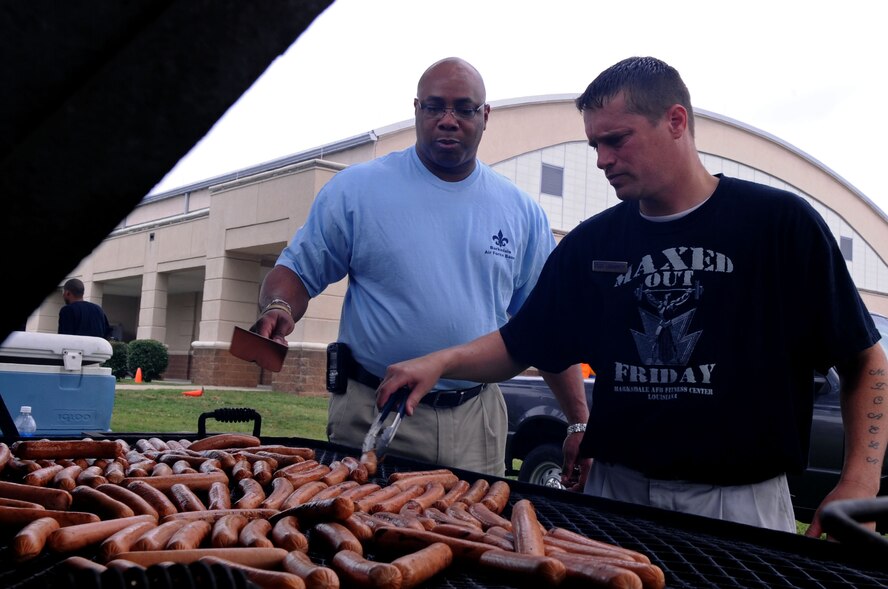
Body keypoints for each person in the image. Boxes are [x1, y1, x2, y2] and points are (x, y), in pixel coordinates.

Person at [377, 56, 888, 535]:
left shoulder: (779, 226)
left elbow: (865, 362)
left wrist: (858, 483)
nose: (602, 160)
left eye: (617, 140)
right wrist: (441, 361)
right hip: (616, 496)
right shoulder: (592, 244)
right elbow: (521, 343)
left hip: (741, 503)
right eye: (594, 145)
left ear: (676, 121)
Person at [252, 57, 589, 478]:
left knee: (469, 539)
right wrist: (279, 306)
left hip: (476, 424)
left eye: (464, 108)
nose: (448, 120)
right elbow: (297, 272)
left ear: (485, 116)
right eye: (434, 107)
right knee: (353, 535)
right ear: (417, 110)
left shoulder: (522, 213)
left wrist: (578, 419)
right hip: (373, 413)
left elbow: (547, 327)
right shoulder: (358, 191)